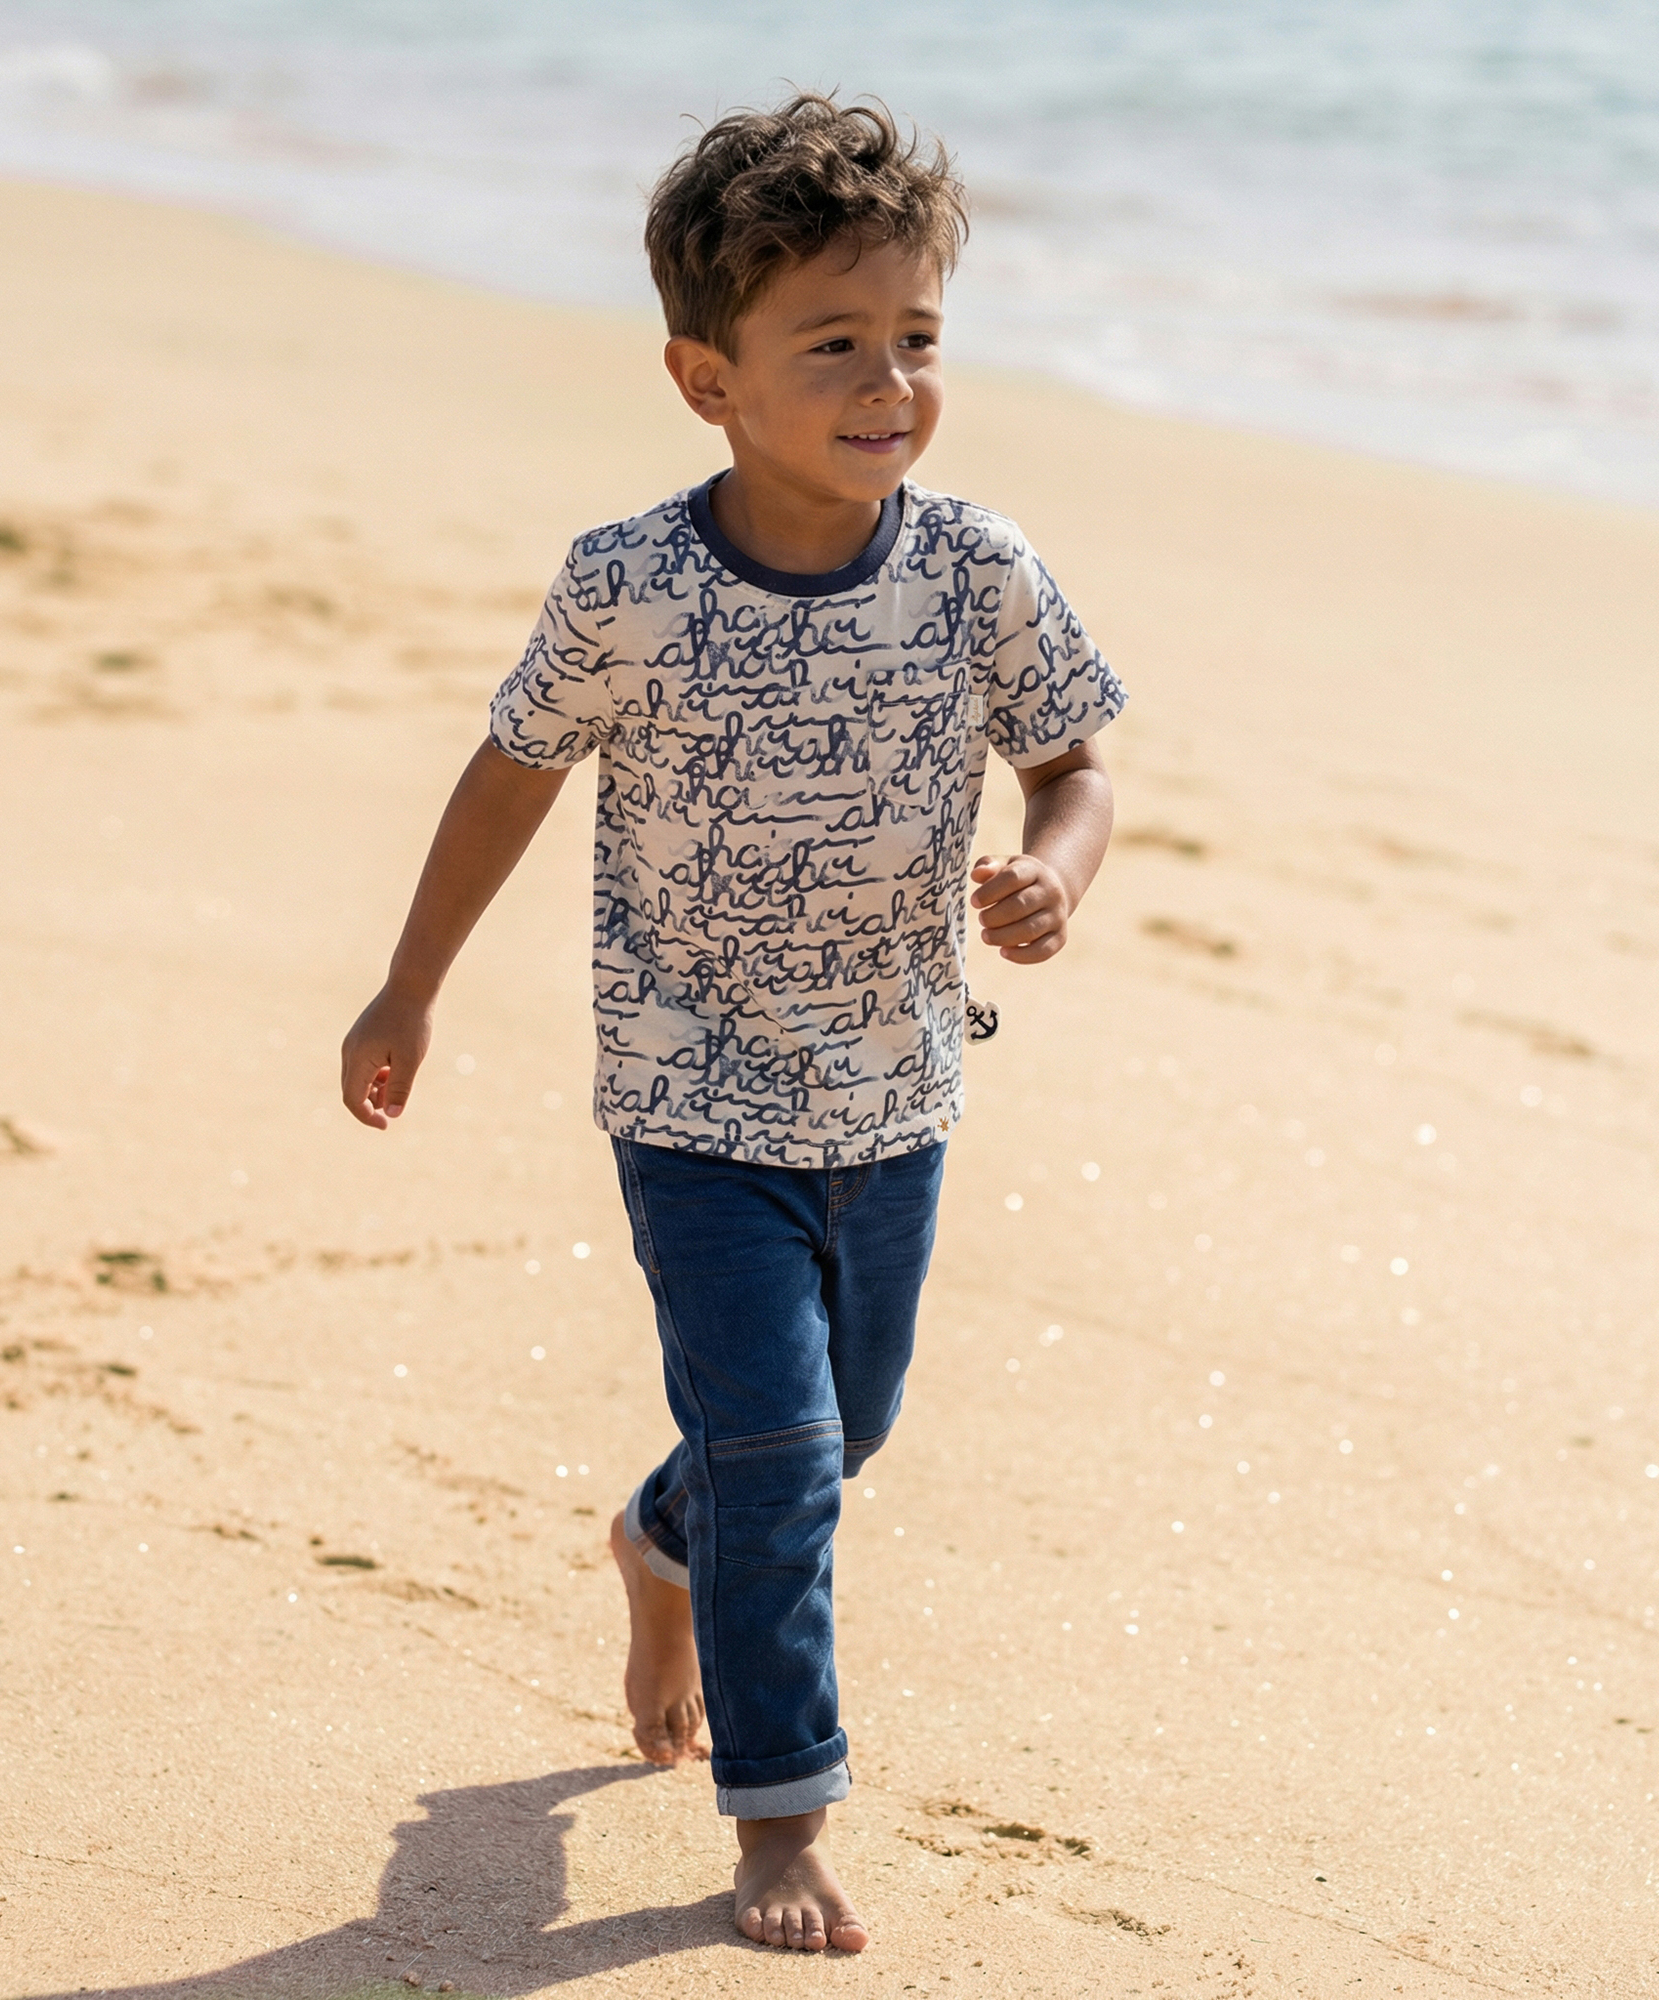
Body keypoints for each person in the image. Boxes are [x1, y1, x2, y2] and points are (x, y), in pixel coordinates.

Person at [339, 92, 1124, 1955]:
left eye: (917, 338)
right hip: (690, 1101)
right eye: (832, 343)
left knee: (845, 1426)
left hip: (900, 1094)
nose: (889, 382)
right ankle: (782, 1812)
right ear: (708, 377)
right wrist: (411, 981)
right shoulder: (632, 583)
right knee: (784, 1452)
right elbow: (512, 772)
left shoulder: (976, 570)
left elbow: (1074, 761)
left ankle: (659, 1541)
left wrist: (1055, 875)